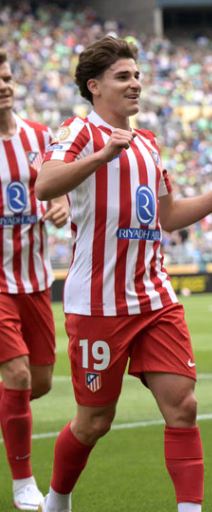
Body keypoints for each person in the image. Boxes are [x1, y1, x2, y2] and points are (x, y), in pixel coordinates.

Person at [35, 36, 212, 512]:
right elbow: (45, 183)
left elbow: (167, 215)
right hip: (97, 305)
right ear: (94, 87)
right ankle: (57, 499)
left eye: (136, 75)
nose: (135, 84)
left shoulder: (149, 142)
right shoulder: (79, 131)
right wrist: (99, 157)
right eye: (123, 76)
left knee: (184, 406)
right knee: (94, 422)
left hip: (154, 299)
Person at [0, 48, 69, 511]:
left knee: (38, 382)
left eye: (6, 76)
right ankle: (23, 482)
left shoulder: (39, 136)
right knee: (18, 374)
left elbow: (58, 188)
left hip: (35, 278)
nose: (4, 85)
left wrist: (59, 204)